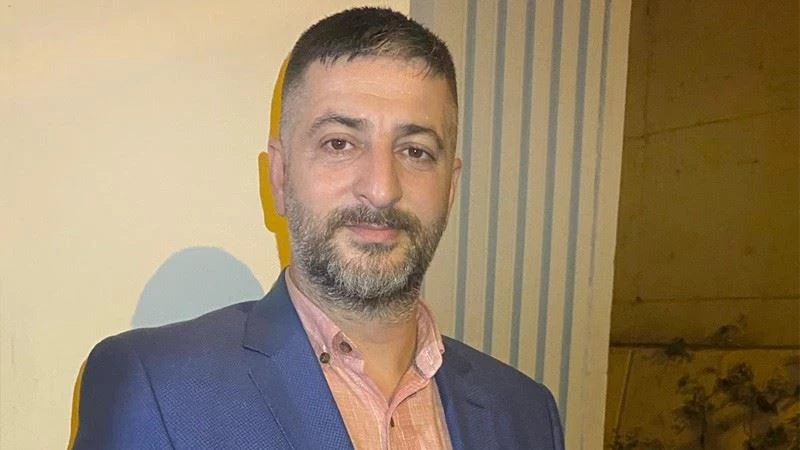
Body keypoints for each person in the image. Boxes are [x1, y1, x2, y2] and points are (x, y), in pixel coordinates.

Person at [72, 7, 564, 449]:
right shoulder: (156, 389)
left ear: (450, 187)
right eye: (339, 144)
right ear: (280, 177)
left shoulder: (525, 413)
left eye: (415, 151)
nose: (381, 188)